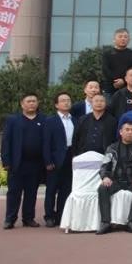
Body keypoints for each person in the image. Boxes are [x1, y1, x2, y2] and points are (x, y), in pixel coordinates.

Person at [96, 121, 132, 234]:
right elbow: (104, 166)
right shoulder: (112, 148)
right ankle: (106, 222)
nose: (130, 132)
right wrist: (105, 177)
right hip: (116, 181)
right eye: (127, 129)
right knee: (102, 188)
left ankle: (131, 221)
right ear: (121, 132)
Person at [1, 93, 46, 229]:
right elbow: (6, 141)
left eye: (34, 101)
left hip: (36, 163)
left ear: (38, 103)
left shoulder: (44, 119)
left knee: (31, 193)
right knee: (14, 192)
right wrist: (6, 161)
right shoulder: (13, 120)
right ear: (22, 104)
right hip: (17, 163)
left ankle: (28, 218)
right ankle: (10, 219)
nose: (31, 103)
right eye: (28, 101)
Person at [42, 92, 75, 227]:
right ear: (56, 105)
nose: (66, 102)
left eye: (68, 100)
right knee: (51, 189)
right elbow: (46, 143)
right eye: (63, 100)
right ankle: (49, 216)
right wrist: (48, 161)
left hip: (70, 158)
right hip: (55, 160)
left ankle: (61, 215)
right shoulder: (50, 121)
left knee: (66, 189)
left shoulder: (75, 120)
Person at [102, 28, 132, 96]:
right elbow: (105, 69)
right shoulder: (107, 54)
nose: (123, 39)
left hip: (129, 88)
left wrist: (123, 81)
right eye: (120, 36)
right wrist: (116, 80)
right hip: (110, 88)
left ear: (129, 39)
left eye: (125, 37)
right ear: (114, 39)